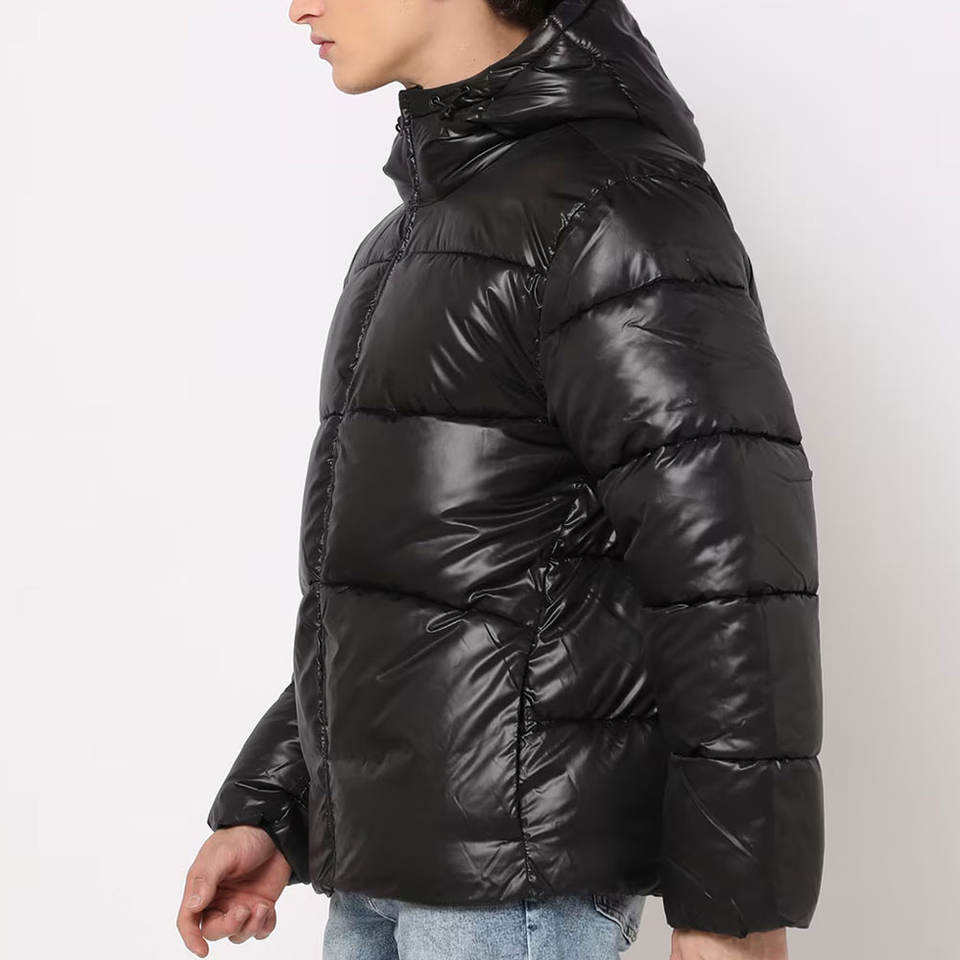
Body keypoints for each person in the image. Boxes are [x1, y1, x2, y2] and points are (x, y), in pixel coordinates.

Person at [176, 0, 824, 957]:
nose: (298, 5)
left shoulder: (620, 211)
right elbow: (412, 589)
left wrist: (734, 909)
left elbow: (731, 577)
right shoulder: (405, 241)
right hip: (381, 877)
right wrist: (276, 804)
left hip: (517, 892)